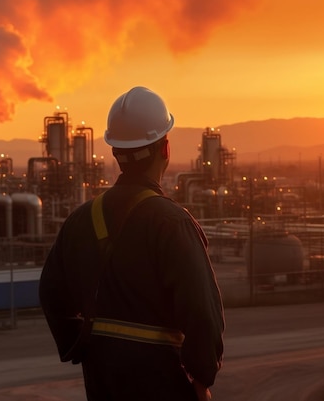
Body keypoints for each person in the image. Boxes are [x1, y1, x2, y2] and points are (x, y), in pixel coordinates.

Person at [39, 86, 225, 401]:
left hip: (102, 380)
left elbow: (50, 292)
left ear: (115, 152)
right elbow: (203, 313)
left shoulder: (80, 220)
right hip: (163, 381)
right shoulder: (172, 223)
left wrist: (81, 345)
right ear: (165, 149)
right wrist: (201, 377)